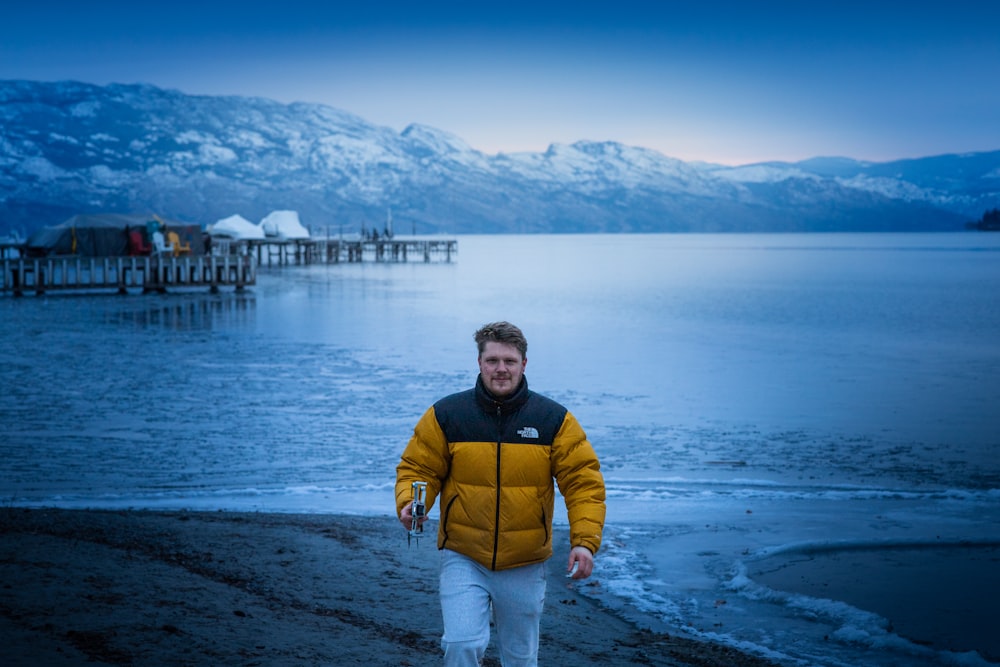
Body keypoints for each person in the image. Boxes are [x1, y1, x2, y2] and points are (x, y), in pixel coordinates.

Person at [395, 321, 606, 666]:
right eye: (492, 360)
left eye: (509, 361)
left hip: (525, 560)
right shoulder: (448, 414)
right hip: (463, 554)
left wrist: (584, 541)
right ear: (479, 363)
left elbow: (584, 484)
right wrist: (410, 503)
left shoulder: (553, 419)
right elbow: (418, 470)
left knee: (520, 658)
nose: (501, 369)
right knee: (461, 644)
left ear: (524, 364)